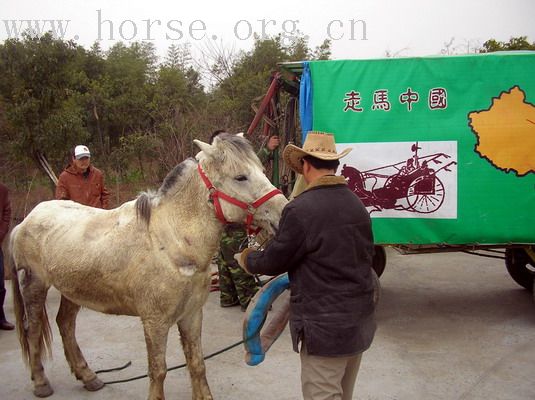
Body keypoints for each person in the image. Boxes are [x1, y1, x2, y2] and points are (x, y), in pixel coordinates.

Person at [235, 131, 376, 399]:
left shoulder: (300, 210)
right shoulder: (357, 204)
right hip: (359, 324)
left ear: (306, 165)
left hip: (325, 332)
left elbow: (273, 260)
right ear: (335, 165)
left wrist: (247, 258)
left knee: (322, 394)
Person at [210, 130, 279, 311]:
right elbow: (245, 172)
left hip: (222, 221)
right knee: (237, 260)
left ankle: (228, 296)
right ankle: (248, 298)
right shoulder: (220, 163)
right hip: (232, 221)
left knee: (225, 261)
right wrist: (266, 150)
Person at [0, 182, 14, 330]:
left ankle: (0, 317)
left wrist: (1, 233)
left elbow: (6, 211)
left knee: (0, 284)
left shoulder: (2, 189)